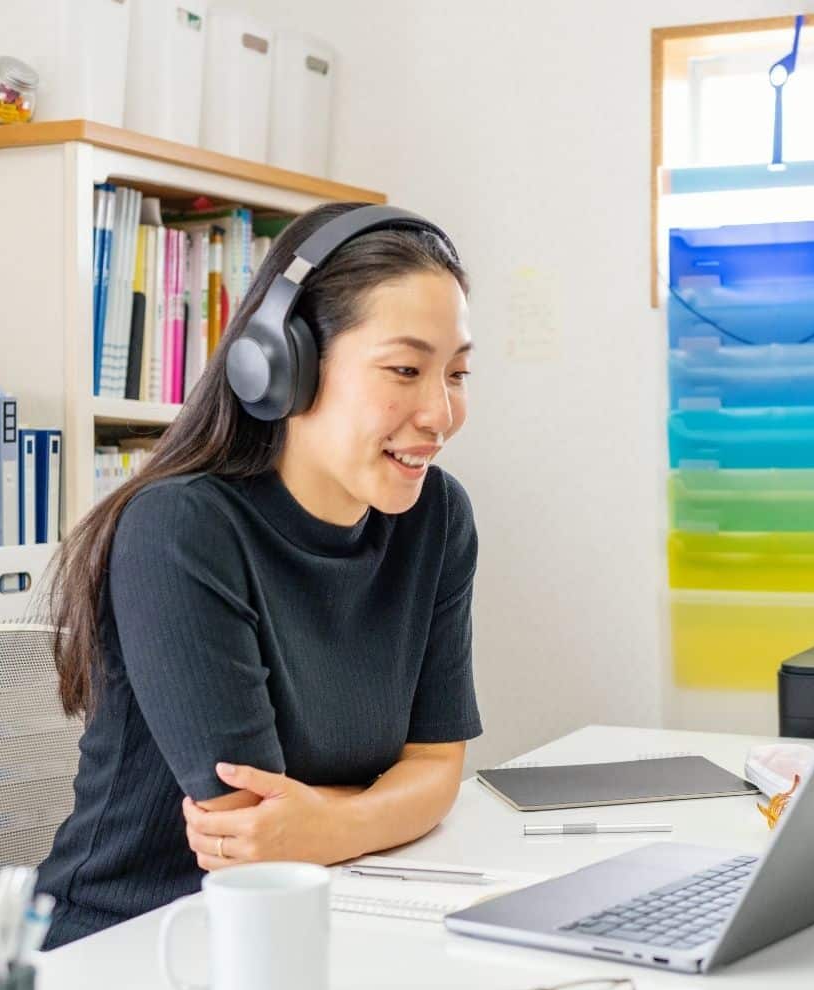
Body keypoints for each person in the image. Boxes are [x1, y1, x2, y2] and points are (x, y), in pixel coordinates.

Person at [36, 202, 481, 948]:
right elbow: (250, 834)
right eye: (406, 369)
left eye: (458, 373)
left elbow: (437, 768)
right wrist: (371, 809)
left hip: (319, 918)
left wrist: (329, 823)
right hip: (136, 944)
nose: (440, 413)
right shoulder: (183, 531)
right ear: (282, 361)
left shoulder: (435, 518)